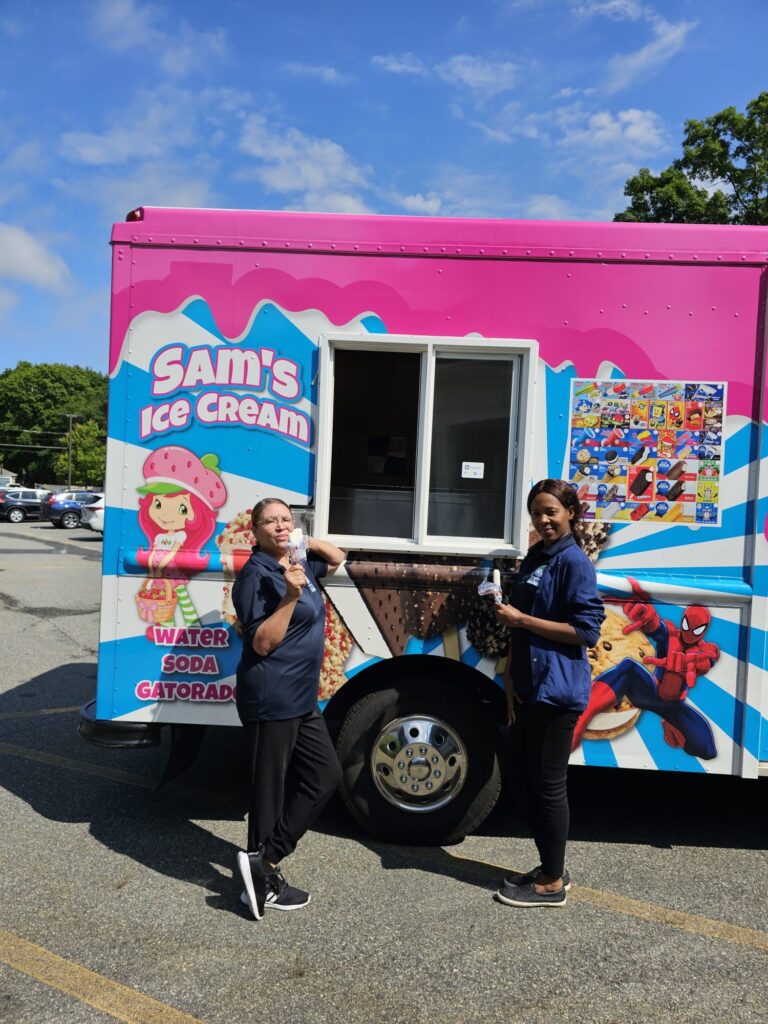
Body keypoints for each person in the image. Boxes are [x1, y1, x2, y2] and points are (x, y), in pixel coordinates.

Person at [492, 479, 604, 908]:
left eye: (551, 512)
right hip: (526, 686)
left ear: (570, 513)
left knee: (548, 784)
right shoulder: (539, 554)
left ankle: (552, 882)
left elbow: (587, 631)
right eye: (536, 512)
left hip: (556, 691)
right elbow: (525, 620)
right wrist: (508, 675)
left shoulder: (574, 562)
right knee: (523, 778)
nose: (542, 519)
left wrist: (521, 620)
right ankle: (547, 866)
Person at [232, 498, 345, 920]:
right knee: (268, 795)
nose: (280, 527)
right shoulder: (255, 575)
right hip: (270, 697)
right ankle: (257, 888)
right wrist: (290, 596)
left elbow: (338, 558)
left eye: (286, 520)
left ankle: (265, 860)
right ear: (254, 530)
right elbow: (262, 642)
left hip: (301, 698)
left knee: (326, 776)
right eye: (271, 522)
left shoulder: (298, 562)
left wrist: (302, 540)